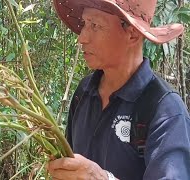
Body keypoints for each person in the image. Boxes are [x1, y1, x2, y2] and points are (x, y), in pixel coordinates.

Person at [47, 0, 190, 179]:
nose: (82, 38)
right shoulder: (84, 92)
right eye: (84, 24)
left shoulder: (165, 111)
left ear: (132, 34)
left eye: (95, 25)